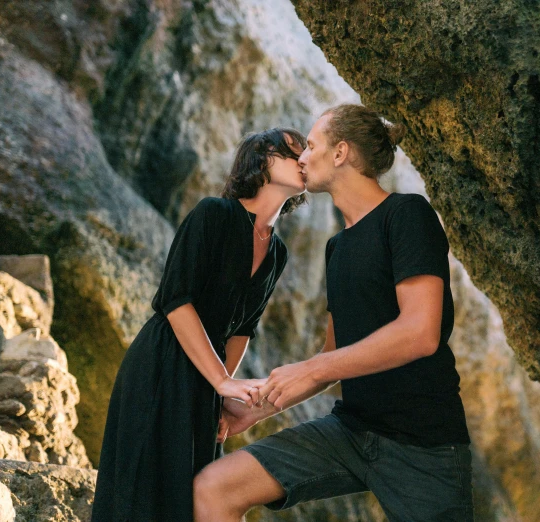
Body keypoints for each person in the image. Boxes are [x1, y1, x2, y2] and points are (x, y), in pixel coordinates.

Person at [194, 104, 473, 521]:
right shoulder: (337, 248)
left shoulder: (406, 215)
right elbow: (335, 355)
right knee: (214, 487)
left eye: (310, 145)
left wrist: (314, 370)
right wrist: (256, 410)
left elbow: (420, 331)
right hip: (349, 432)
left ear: (340, 153)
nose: (301, 158)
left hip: (425, 445)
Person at [91, 128, 308, 521]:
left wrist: (224, 395)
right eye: (291, 150)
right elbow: (176, 301)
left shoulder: (278, 251)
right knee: (140, 494)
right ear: (261, 158)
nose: (303, 158)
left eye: (306, 152)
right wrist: (221, 381)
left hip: (204, 382)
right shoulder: (214, 213)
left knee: (189, 498)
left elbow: (243, 330)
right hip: (161, 363)